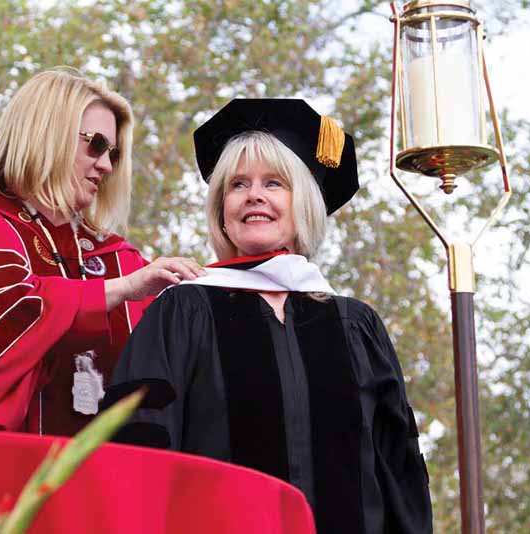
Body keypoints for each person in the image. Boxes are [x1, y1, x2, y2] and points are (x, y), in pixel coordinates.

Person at [103, 99, 433, 533]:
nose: (254, 194)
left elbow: (398, 469)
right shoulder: (182, 313)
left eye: (274, 183)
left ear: (305, 205)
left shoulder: (355, 325)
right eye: (238, 184)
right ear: (223, 209)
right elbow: (137, 456)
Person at [0, 69, 204, 435]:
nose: (106, 165)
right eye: (96, 144)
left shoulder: (120, 260)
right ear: (47, 136)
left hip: (103, 483)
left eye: (113, 153)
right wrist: (112, 292)